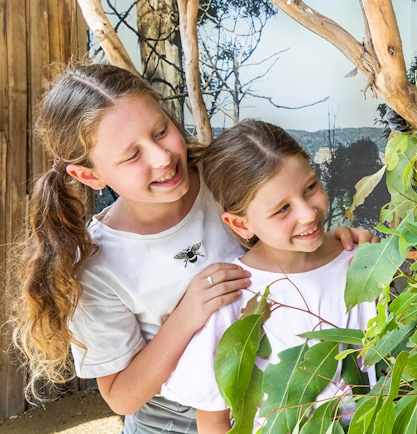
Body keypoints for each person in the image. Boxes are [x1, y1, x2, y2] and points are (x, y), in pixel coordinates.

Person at [9, 62, 376, 434]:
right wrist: (186, 318)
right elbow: (121, 398)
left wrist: (336, 247)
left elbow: (288, 238)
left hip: (276, 405)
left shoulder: (223, 182)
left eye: (161, 131)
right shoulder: (96, 265)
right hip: (173, 422)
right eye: (132, 155)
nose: (162, 157)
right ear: (90, 176)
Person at [160, 119, 377, 432]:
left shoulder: (361, 262)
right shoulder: (231, 297)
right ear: (241, 224)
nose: (307, 213)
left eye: (311, 187)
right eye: (282, 209)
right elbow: (213, 418)